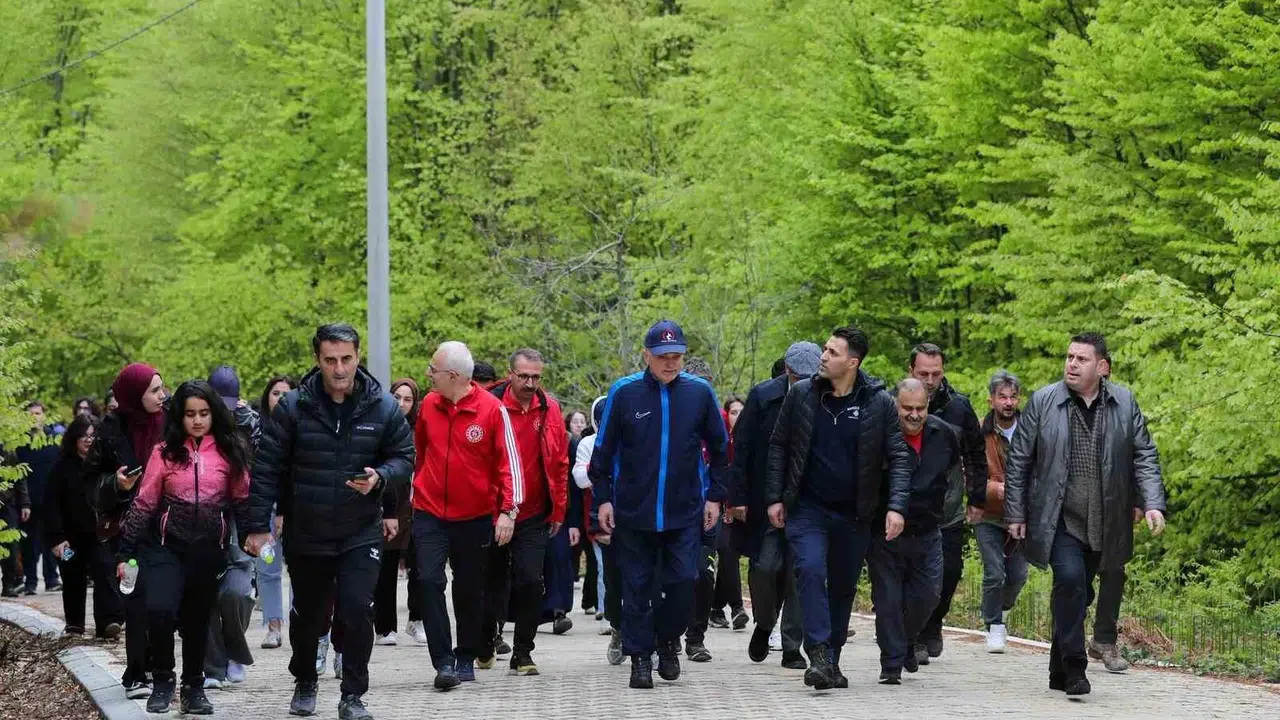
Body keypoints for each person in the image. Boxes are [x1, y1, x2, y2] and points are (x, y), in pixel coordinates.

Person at [243, 323, 414, 720]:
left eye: (347, 359)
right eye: (330, 360)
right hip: (308, 531)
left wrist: (381, 476)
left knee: (357, 611)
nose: (339, 369)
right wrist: (257, 526)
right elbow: (266, 468)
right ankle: (305, 678)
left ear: (358, 357)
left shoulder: (383, 407)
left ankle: (353, 696)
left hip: (360, 531)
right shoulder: (293, 407)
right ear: (318, 360)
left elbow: (405, 458)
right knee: (309, 615)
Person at [1006, 333, 1168, 697]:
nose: (1072, 364)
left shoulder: (1124, 403)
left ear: (1102, 367)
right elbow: (1019, 459)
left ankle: (1057, 668)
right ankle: (1076, 668)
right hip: (1059, 516)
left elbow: (1144, 455)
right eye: (1069, 357)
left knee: (1080, 593)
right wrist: (1016, 512)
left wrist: (1152, 502)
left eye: (1081, 359)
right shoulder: (1044, 401)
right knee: (1070, 582)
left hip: (1106, 518)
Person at [764, 326, 913, 690]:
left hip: (854, 512)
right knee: (811, 569)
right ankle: (818, 653)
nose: (824, 356)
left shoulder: (878, 403)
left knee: (843, 587)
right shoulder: (801, 395)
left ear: (852, 362)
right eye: (825, 349)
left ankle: (831, 659)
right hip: (807, 507)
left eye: (833, 352)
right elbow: (779, 445)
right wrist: (774, 497)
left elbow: (898, 456)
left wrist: (896, 507)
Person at [588, 320, 729, 689]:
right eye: (663, 356)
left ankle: (668, 641)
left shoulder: (699, 393)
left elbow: (720, 449)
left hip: (685, 511)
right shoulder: (624, 392)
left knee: (685, 581)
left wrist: (715, 496)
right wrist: (603, 500)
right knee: (636, 588)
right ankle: (640, 658)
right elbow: (602, 453)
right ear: (646, 355)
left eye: (677, 355)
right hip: (634, 511)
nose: (671, 362)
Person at [115, 380, 252, 715]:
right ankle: (163, 680)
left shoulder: (229, 452)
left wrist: (253, 536)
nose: (197, 420)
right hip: (166, 548)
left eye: (204, 413)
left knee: (197, 621)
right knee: (159, 610)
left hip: (209, 551)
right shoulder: (163, 453)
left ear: (213, 414)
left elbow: (242, 501)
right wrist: (125, 553)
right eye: (190, 414)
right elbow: (144, 503)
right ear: (180, 416)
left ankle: (194, 687)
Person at [411, 341, 521, 691]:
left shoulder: (492, 409)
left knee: (469, 589)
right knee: (428, 581)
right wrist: (417, 489)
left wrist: (508, 511)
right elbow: (420, 452)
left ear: (453, 375)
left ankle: (464, 655)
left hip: (474, 516)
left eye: (434, 370)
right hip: (429, 512)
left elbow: (509, 465)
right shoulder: (428, 406)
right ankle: (442, 661)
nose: (428, 374)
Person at [731, 341, 819, 670]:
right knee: (764, 567)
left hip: (807, 500)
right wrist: (737, 497)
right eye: (798, 377)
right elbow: (742, 449)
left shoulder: (827, 397)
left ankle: (792, 646)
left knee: (799, 573)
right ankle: (765, 622)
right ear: (787, 371)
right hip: (764, 497)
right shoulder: (763, 396)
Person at [481, 350, 569, 674]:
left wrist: (559, 508)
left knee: (531, 581)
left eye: (536, 377)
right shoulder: (491, 406)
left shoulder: (550, 409)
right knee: (491, 582)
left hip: (534, 511)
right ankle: (486, 640)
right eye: (524, 376)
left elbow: (560, 461)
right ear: (510, 374)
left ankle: (522, 652)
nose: (530, 383)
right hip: (493, 512)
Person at [868, 379, 959, 684]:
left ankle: (906, 642)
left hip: (928, 531)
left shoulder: (943, 434)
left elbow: (953, 473)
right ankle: (891, 664)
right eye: (907, 408)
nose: (914, 415)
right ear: (895, 405)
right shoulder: (880, 434)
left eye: (921, 408)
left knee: (929, 595)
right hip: (885, 534)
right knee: (888, 600)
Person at [89, 362, 168, 698]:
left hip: (167, 525)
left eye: (162, 388)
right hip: (127, 530)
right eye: (154, 390)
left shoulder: (171, 424)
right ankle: (137, 672)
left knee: (160, 600)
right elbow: (89, 484)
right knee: (135, 600)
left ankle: (159, 668)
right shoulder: (109, 433)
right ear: (134, 396)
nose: (162, 396)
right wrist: (117, 484)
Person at [908, 344, 987, 662]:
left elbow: (976, 454)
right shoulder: (894, 403)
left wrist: (977, 497)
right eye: (923, 374)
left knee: (950, 571)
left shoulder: (959, 407)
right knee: (913, 575)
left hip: (948, 508)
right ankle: (913, 635)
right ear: (911, 371)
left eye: (936, 374)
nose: (930, 381)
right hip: (908, 510)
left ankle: (934, 623)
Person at [202, 366, 262, 690]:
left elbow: (264, 470)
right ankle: (213, 667)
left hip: (241, 516)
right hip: (204, 515)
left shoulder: (251, 425)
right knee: (207, 593)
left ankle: (235, 650)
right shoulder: (195, 422)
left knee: (236, 592)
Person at [46, 414, 124, 638]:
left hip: (100, 534)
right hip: (68, 538)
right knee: (72, 575)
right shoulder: (61, 467)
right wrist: (56, 538)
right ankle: (74, 625)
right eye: (84, 436)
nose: (89, 440)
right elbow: (51, 504)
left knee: (104, 569)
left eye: (93, 435)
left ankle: (108, 622)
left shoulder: (106, 465)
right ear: (74, 438)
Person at [976, 370, 1029, 653]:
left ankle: (1001, 608)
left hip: (1021, 516)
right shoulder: (979, 432)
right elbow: (970, 473)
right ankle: (993, 625)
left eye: (1013, 397)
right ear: (991, 400)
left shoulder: (1031, 430)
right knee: (994, 573)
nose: (1008, 402)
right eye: (1002, 397)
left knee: (1018, 575)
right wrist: (996, 489)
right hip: (988, 513)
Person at [1087, 352, 1133, 673]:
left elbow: (1139, 453)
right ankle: (1067, 636)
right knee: (1076, 577)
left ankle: (1104, 639)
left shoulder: (1124, 404)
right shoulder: (1065, 403)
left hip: (1115, 506)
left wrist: (1143, 500)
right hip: (1079, 508)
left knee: (1114, 572)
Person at [681, 355, 727, 663]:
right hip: (676, 508)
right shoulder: (673, 417)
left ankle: (696, 638)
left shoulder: (717, 422)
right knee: (674, 575)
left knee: (703, 573)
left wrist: (721, 498)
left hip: (709, 508)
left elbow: (727, 461)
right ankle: (668, 634)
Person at [374, 378, 427, 646]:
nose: (402, 404)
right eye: (397, 397)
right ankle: (385, 627)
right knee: (387, 566)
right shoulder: (383, 427)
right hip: (391, 501)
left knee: (421, 566)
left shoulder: (422, 428)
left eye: (408, 399)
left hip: (419, 502)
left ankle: (416, 620)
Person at [574, 397, 624, 663]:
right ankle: (614, 623)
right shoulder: (589, 444)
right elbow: (582, 478)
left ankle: (650, 640)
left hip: (640, 518)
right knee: (610, 575)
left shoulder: (636, 438)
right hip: (603, 520)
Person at [254, 374, 294, 650]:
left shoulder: (301, 428)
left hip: (296, 510)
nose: (280, 398)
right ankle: (273, 626)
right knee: (267, 568)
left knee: (301, 570)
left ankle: (301, 625)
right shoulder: (257, 429)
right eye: (275, 393)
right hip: (264, 512)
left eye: (286, 394)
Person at [709, 396, 748, 632]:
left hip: (743, 508)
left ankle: (715, 607)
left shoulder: (749, 439)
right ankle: (737, 607)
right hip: (720, 508)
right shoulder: (719, 441)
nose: (738, 417)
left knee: (730, 557)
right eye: (733, 412)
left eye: (742, 412)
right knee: (727, 551)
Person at [16, 401, 63, 595]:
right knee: (29, 544)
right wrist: (23, 501)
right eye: (30, 414)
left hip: (51, 500)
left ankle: (52, 578)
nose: (34, 417)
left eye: (37, 413)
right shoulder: (20, 444)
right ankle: (30, 581)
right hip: (30, 502)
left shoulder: (54, 441)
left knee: (53, 539)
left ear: (44, 415)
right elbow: (18, 476)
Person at [565, 409, 598, 616]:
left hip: (595, 509)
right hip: (579, 509)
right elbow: (575, 482)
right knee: (574, 555)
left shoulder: (592, 442)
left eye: (582, 421)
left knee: (595, 559)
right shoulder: (576, 444)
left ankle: (591, 600)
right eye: (575, 421)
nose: (578, 424)